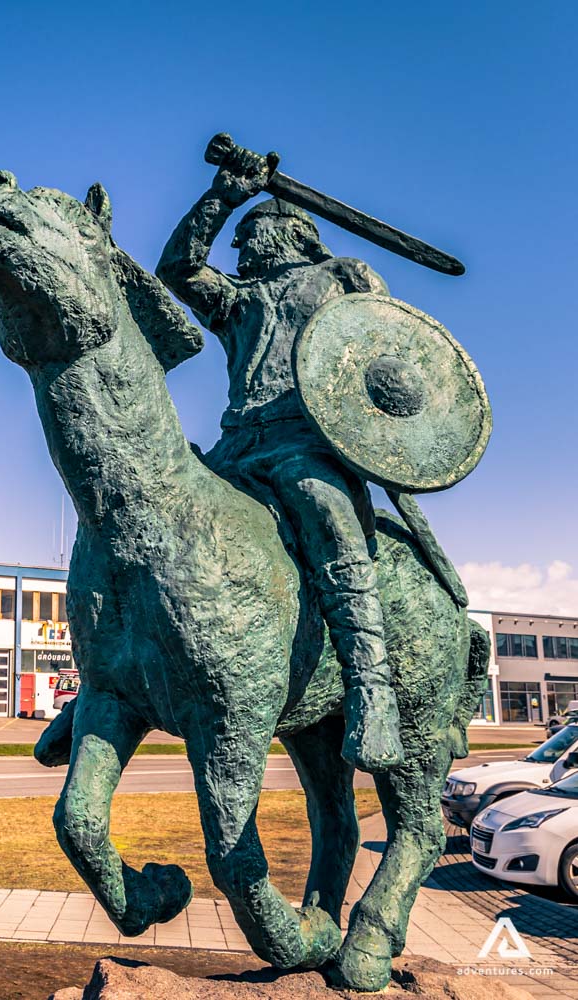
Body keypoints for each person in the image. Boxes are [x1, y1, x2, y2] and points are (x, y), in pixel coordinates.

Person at [157, 145, 404, 773]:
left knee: (328, 518)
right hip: (236, 446)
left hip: (307, 443)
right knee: (158, 517)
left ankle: (370, 687)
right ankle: (108, 683)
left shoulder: (342, 277)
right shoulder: (236, 299)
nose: (238, 249)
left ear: (289, 230)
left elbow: (389, 350)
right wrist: (224, 196)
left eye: (248, 234)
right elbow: (178, 268)